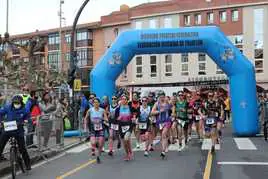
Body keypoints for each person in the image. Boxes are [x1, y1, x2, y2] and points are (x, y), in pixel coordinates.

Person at [0, 95, 31, 170]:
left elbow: (28, 118)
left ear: (21, 103)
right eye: (15, 103)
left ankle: (27, 164)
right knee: (1, 145)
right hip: (8, 129)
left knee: (22, 148)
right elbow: (0, 113)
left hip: (19, 130)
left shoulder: (25, 109)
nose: (16, 104)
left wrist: (26, 121)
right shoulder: (7, 107)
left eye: (18, 103)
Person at [84, 98, 108, 163]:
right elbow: (86, 118)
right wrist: (85, 127)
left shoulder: (102, 110)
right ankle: (95, 151)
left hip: (100, 128)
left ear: (99, 103)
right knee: (93, 143)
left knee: (100, 144)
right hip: (93, 128)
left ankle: (98, 156)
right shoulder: (90, 110)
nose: (96, 103)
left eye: (97, 102)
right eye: (94, 102)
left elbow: (106, 118)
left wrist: (104, 119)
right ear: (93, 103)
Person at [151, 91, 171, 159]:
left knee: (163, 134)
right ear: (159, 97)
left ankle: (163, 151)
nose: (161, 97)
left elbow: (173, 105)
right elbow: (152, 112)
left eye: (163, 96)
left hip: (167, 121)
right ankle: (165, 147)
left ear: (164, 96)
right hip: (159, 122)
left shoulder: (168, 102)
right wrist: (159, 111)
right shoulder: (156, 104)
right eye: (160, 96)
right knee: (162, 137)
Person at [115, 94, 134, 161]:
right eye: (122, 99)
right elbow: (116, 118)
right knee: (125, 142)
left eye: (125, 99)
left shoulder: (130, 108)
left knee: (126, 139)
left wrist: (134, 118)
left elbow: (134, 115)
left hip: (129, 125)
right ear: (121, 100)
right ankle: (128, 153)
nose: (124, 100)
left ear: (127, 100)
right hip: (121, 126)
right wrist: (118, 118)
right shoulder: (118, 109)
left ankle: (129, 153)